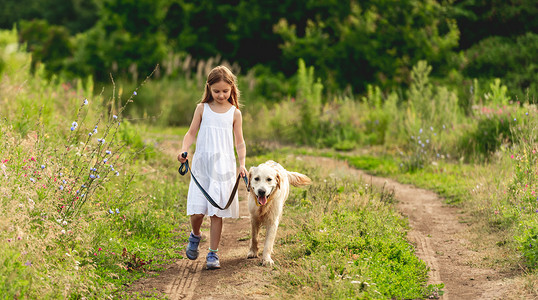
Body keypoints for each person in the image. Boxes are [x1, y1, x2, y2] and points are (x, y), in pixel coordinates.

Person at [177, 65, 247, 270]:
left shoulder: (235, 113)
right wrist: (184, 150)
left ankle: (213, 253)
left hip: (224, 167)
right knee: (197, 212)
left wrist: (242, 165)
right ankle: (196, 234)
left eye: (225, 91)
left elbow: (240, 142)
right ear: (209, 88)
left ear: (232, 89)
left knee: (217, 212)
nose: (221, 95)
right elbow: (191, 133)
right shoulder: (202, 109)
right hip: (203, 166)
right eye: (216, 91)